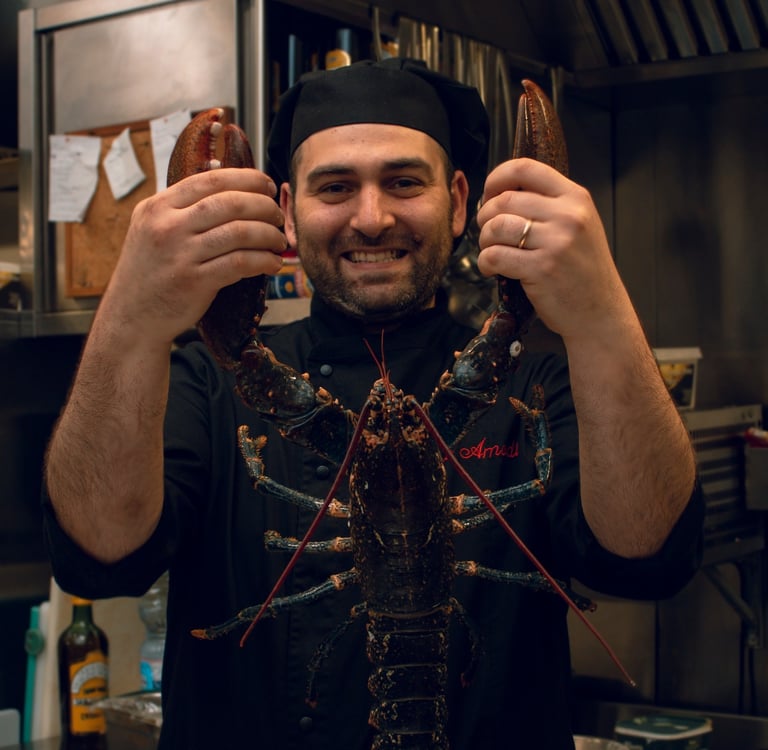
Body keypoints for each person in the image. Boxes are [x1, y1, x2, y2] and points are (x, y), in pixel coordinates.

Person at [43, 59, 703, 749]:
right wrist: (129, 318)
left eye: (403, 182)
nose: (371, 216)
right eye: (334, 187)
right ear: (288, 212)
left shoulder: (541, 382)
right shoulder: (207, 383)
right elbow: (99, 557)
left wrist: (603, 316)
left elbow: (647, 557)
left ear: (456, 201)